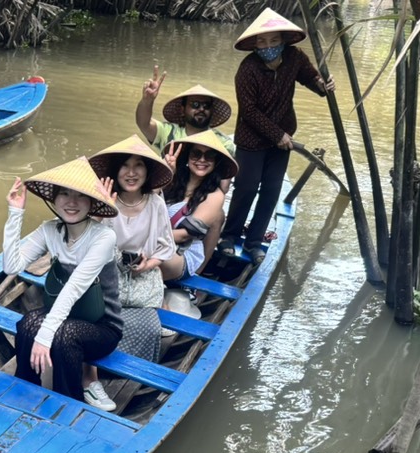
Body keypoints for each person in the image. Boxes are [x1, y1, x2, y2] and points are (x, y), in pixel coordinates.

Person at [3, 157, 123, 405]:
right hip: (65, 317)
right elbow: (12, 266)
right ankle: (26, 393)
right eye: (64, 194)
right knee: (27, 324)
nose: (71, 202)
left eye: (80, 196)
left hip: (102, 326)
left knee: (63, 336)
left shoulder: (103, 237)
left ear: (91, 202)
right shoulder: (50, 229)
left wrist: (45, 337)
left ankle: (68, 403)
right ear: (54, 199)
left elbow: (74, 288)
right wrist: (15, 213)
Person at [226, 8, 335, 264]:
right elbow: (249, 111)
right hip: (251, 140)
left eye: (274, 40)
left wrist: (323, 86)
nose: (268, 46)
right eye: (262, 41)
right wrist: (277, 135)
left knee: (271, 190)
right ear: (255, 44)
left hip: (282, 139)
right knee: (246, 187)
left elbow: (311, 77)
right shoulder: (247, 69)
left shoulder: (294, 57)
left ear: (283, 41)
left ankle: (254, 242)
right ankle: (229, 236)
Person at [82, 135, 177, 411]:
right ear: (116, 171)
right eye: (125, 165)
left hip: (141, 281)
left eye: (139, 165)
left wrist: (148, 263)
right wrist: (100, 211)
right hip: (105, 278)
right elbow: (84, 245)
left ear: (147, 172)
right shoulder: (104, 200)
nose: (131, 172)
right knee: (90, 320)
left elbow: (166, 246)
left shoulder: (155, 203)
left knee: (149, 328)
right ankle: (90, 379)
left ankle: (125, 376)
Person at [160, 131, 238, 283]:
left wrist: (146, 237)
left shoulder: (215, 196)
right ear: (187, 157)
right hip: (156, 242)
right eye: (196, 154)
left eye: (209, 156)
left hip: (182, 252)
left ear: (215, 162)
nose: (202, 160)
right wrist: (165, 174)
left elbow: (184, 235)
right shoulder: (172, 178)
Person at [135, 71, 235, 157]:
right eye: (195, 105)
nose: (201, 109)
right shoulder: (168, 132)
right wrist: (147, 100)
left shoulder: (223, 143)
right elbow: (144, 124)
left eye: (206, 105)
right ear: (182, 110)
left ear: (212, 111)